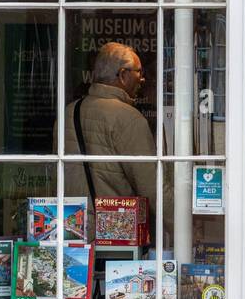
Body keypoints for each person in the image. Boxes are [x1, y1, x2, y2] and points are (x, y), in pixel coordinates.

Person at [58, 42, 171, 224]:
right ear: (123, 75)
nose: (143, 79)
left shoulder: (68, 114)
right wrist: (185, 224)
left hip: (73, 232)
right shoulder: (129, 119)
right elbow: (153, 189)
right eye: (139, 72)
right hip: (117, 237)